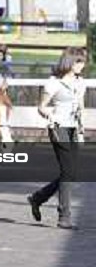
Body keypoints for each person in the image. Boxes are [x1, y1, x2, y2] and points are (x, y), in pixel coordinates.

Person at [27, 47, 86, 229]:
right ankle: (64, 217)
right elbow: (41, 107)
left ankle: (38, 198)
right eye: (79, 61)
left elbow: (81, 107)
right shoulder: (53, 83)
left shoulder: (81, 82)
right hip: (58, 127)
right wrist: (51, 116)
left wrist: (82, 130)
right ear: (69, 62)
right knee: (68, 172)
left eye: (83, 62)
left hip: (73, 129)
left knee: (71, 173)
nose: (82, 65)